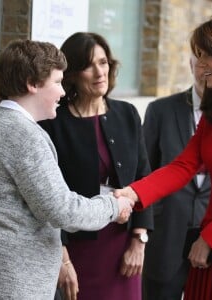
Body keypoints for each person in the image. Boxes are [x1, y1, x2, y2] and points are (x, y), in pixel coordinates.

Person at [0, 39, 133, 300]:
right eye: (57, 82)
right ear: (32, 83)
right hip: (12, 286)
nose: (63, 92)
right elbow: (63, 211)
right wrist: (114, 206)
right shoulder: (24, 135)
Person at [115, 13, 212, 300]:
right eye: (198, 55)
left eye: (207, 56)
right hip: (208, 251)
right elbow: (183, 165)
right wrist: (134, 193)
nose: (199, 65)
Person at [39, 32, 154, 300]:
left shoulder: (126, 114)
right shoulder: (54, 122)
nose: (99, 72)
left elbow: (143, 177)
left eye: (103, 62)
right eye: (88, 65)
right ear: (73, 74)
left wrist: (139, 240)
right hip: (75, 247)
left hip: (122, 242)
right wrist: (63, 259)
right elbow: (46, 198)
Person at [141, 55, 211, 300]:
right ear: (190, 62)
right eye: (200, 59)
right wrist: (139, 234)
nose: (206, 68)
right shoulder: (161, 110)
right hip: (164, 238)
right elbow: (144, 172)